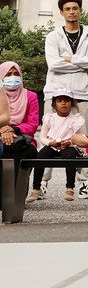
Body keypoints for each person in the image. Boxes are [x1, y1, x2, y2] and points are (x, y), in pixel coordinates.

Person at [43, 0, 88, 191]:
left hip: (83, 92)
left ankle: (84, 183)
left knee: (83, 138)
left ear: (80, 11)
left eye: (75, 8)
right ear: (61, 12)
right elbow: (53, 64)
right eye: (67, 9)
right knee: (50, 137)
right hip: (55, 91)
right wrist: (80, 62)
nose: (71, 12)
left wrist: (68, 59)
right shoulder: (53, 36)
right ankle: (42, 183)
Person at [26, 88, 86, 203]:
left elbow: (79, 137)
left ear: (71, 104)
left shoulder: (76, 119)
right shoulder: (50, 118)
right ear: (54, 104)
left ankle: (70, 188)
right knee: (40, 157)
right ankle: (36, 187)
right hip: (52, 144)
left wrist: (70, 143)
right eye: (59, 101)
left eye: (67, 100)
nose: (63, 103)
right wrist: (51, 143)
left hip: (68, 145)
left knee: (70, 156)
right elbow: (42, 137)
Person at [0, 61, 38, 197]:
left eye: (16, 74)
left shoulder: (31, 96)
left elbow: (33, 124)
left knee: (25, 153)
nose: (13, 77)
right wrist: (3, 130)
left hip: (23, 139)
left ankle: (16, 196)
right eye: (8, 74)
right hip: (1, 135)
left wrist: (13, 130)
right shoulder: (0, 95)